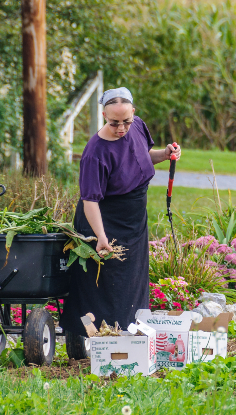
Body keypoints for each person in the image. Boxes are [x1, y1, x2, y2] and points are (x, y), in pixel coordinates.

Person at [59, 87, 181, 358]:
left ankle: (129, 341)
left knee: (132, 282)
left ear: (134, 114)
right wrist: (100, 236)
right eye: (114, 123)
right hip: (105, 221)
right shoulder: (95, 152)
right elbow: (90, 200)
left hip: (134, 219)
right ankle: (99, 345)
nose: (122, 128)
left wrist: (165, 153)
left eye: (126, 121)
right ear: (104, 115)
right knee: (105, 286)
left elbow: (141, 158)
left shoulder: (137, 127)